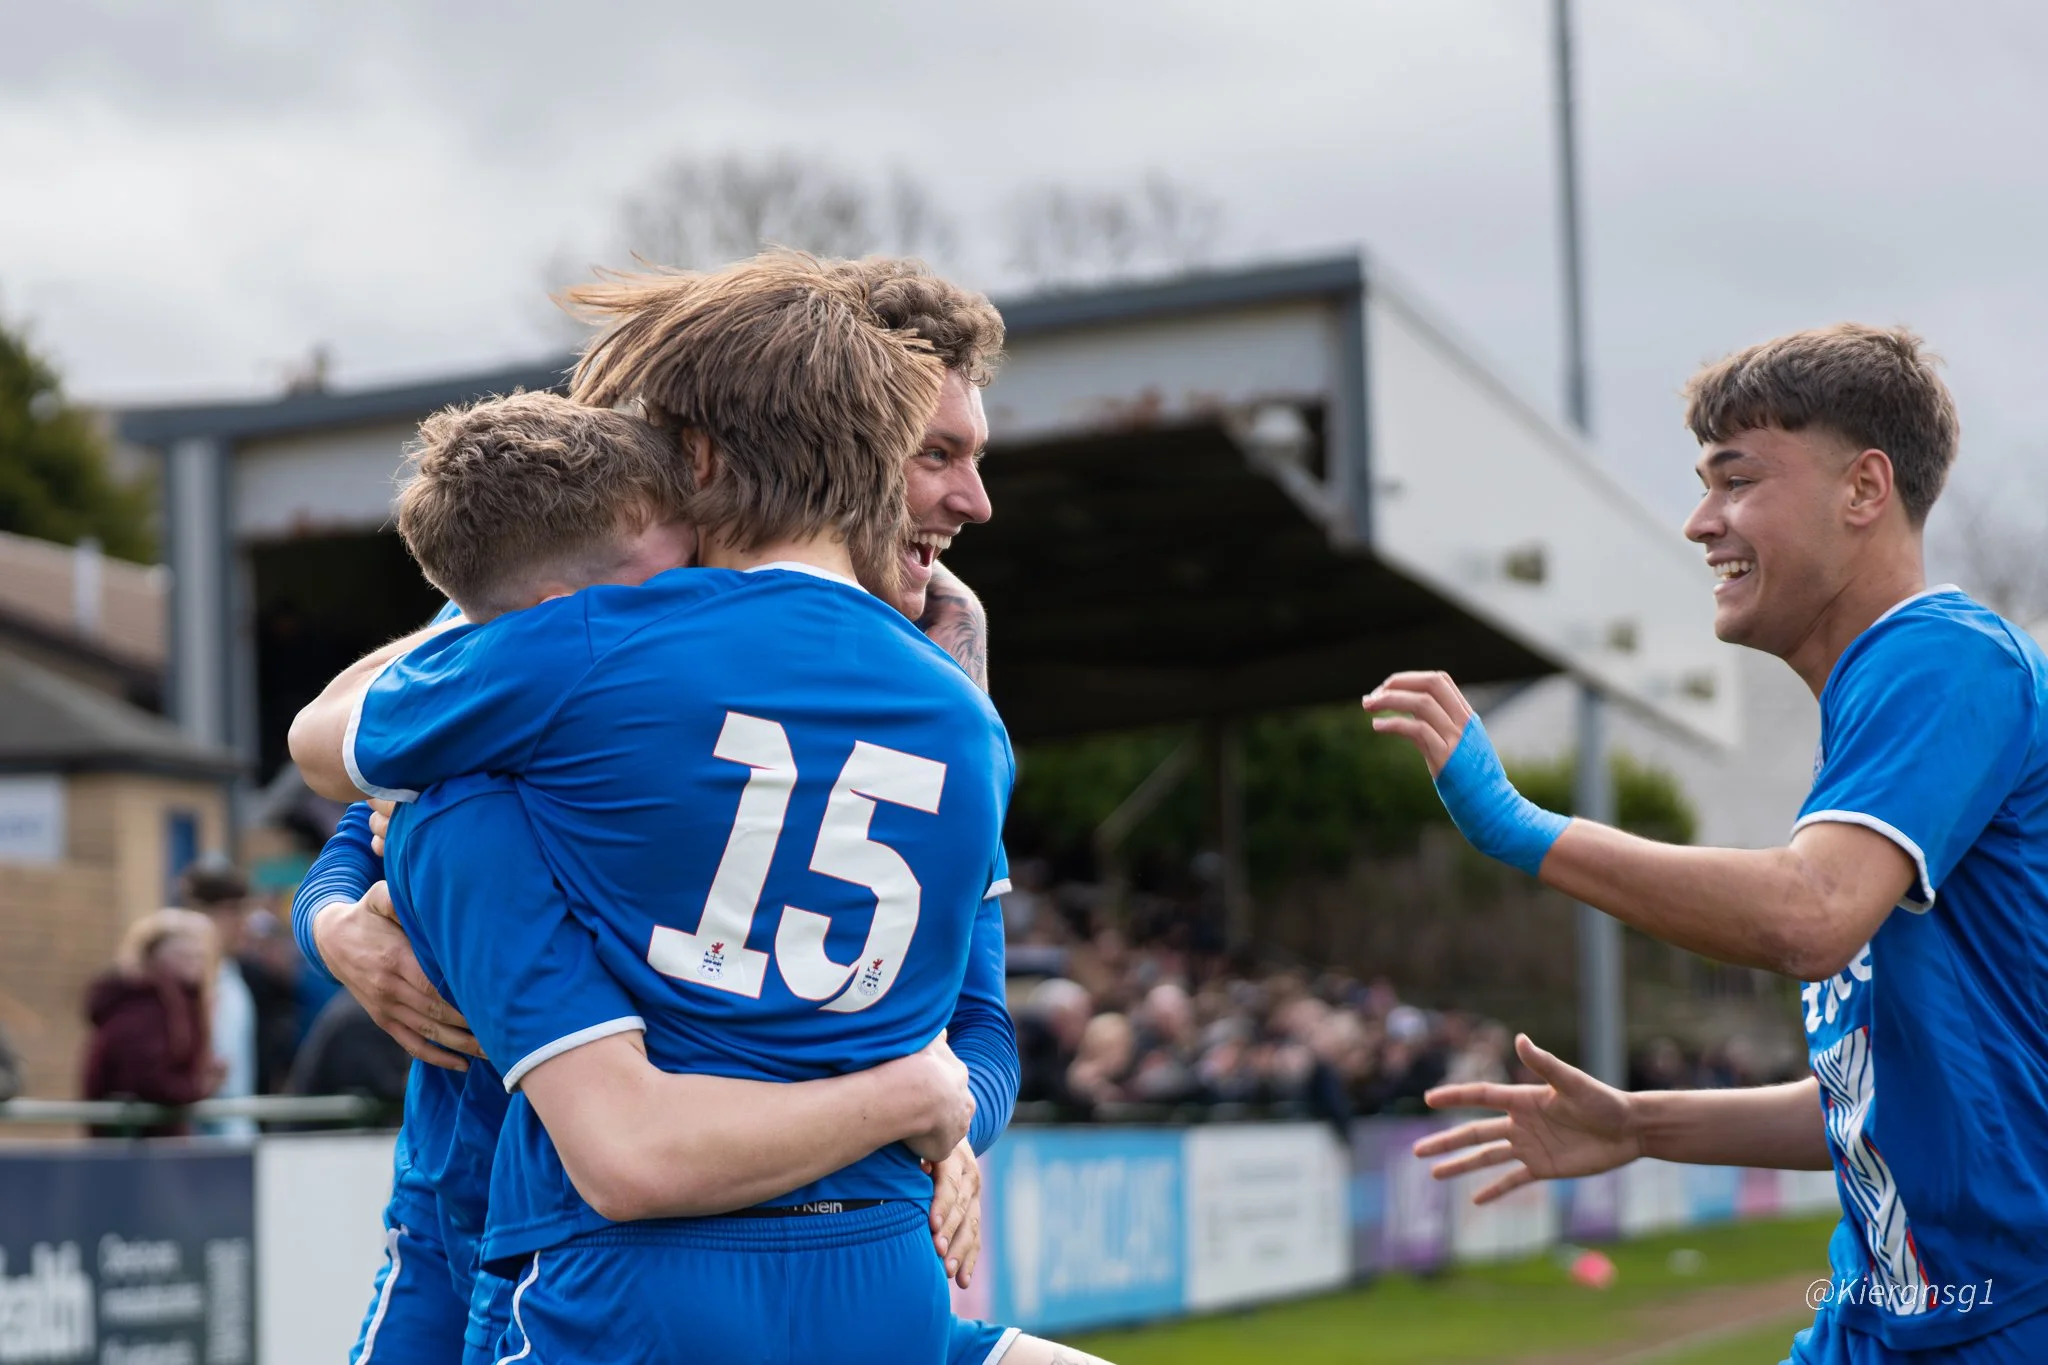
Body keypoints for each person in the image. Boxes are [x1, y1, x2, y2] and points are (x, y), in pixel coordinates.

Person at [292, 259, 1110, 1365]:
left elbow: (976, 1023)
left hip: (633, 1250)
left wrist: (939, 1114)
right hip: (490, 1214)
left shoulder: (934, 683)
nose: (970, 500)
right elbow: (376, 830)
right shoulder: (579, 621)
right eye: (932, 454)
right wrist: (335, 924)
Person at [1369, 324, 2048, 1361]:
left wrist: (1521, 830)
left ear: (1863, 490)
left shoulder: (1942, 659)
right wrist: (1641, 1126)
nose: (1698, 522)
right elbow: (1876, 1091)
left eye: (1734, 481)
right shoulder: (1881, 704)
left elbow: (1806, 918)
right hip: (1883, 1319)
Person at [82, 909, 225, 1137]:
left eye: (199, 955)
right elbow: (148, 1080)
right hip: (134, 1141)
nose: (196, 963)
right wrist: (198, 1087)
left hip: (155, 1140)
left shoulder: (179, 1003)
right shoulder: (143, 1008)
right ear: (158, 956)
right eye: (185, 955)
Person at [177, 859, 260, 1137]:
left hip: (237, 1140)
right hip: (200, 1150)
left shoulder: (232, 978)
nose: (243, 925)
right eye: (232, 912)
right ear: (202, 914)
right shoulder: (185, 983)